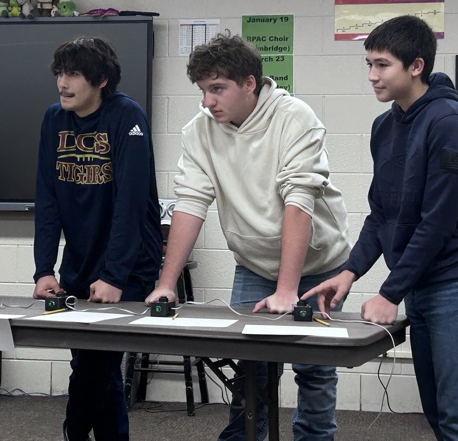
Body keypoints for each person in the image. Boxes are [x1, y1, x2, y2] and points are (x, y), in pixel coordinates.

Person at [146, 32, 351, 441]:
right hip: (255, 265)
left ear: (249, 83)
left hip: (318, 266)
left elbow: (299, 202)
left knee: (314, 373)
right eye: (203, 90)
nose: (208, 101)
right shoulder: (199, 131)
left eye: (218, 89)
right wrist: (167, 285)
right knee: (250, 372)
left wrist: (288, 289)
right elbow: (190, 204)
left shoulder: (295, 118)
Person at [302, 15, 458, 440]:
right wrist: (349, 272)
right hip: (422, 284)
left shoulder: (449, 125)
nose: (372, 76)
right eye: (368, 64)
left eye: (383, 64)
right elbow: (381, 215)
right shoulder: (385, 126)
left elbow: (438, 223)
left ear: (416, 66)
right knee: (437, 412)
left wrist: (390, 291)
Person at [32, 36, 162, 441]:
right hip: (82, 260)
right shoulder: (55, 120)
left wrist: (115, 275)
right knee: (94, 363)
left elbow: (130, 203)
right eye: (59, 73)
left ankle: (73, 432)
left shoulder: (128, 117)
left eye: (73, 74)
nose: (63, 83)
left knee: (96, 362)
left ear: (101, 79)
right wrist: (43, 269)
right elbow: (47, 197)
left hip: (129, 263)